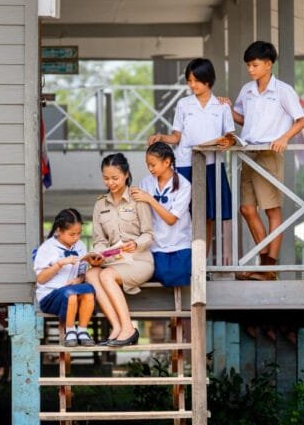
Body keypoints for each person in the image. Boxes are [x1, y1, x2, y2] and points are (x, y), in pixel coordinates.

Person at [230, 41, 304, 281]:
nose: (250, 70)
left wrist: (284, 138)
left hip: (269, 153)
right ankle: (264, 264)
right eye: (248, 66)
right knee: (246, 209)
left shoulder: (282, 90)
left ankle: (268, 267)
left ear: (268, 64)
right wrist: (224, 108)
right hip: (248, 152)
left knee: (273, 210)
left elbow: (301, 119)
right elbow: (244, 119)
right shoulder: (247, 90)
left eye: (254, 65)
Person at [148, 58, 235, 247]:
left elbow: (230, 136)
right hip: (186, 164)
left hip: (212, 165)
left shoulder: (222, 106)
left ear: (208, 80)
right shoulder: (183, 104)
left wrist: (227, 142)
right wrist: (161, 137)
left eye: (196, 80)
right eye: (189, 80)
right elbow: (177, 137)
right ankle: (186, 257)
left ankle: (201, 265)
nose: (192, 85)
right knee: (185, 212)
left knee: (207, 215)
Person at [85, 153, 154, 346]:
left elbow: (149, 234)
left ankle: (129, 329)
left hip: (139, 260)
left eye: (115, 178)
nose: (110, 182)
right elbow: (99, 240)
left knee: (106, 276)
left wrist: (136, 244)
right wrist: (98, 255)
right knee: (91, 275)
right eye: (106, 178)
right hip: (113, 261)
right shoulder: (100, 204)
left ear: (126, 175)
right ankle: (116, 327)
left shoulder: (137, 199)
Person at [131, 142, 192, 286]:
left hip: (179, 244)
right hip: (155, 245)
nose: (150, 169)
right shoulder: (145, 183)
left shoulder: (184, 185)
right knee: (156, 273)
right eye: (148, 165)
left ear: (167, 162)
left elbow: (171, 219)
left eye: (153, 164)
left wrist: (150, 199)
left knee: (177, 276)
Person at [34, 208, 97, 347]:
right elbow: (41, 279)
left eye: (79, 233)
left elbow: (82, 273)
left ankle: (82, 330)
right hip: (50, 296)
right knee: (71, 294)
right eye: (71, 234)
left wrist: (79, 279)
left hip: (71, 290)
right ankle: (70, 331)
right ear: (59, 231)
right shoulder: (47, 248)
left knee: (89, 290)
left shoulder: (80, 246)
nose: (76, 238)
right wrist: (60, 263)